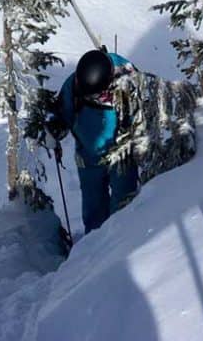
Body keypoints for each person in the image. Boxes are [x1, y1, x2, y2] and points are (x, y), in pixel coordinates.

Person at [48, 48, 140, 234]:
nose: (91, 97)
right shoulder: (74, 85)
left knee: (123, 205)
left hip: (121, 154)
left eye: (94, 95)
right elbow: (62, 114)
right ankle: (93, 252)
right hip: (89, 156)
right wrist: (56, 127)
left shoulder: (128, 79)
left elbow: (142, 112)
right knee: (93, 208)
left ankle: (121, 243)